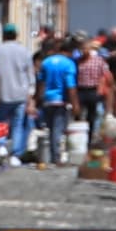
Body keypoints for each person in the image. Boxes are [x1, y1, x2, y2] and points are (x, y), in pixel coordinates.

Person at [0, 23, 37, 164]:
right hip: (20, 93)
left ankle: (2, 146)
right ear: (16, 35)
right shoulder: (25, 51)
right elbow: (30, 75)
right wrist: (30, 95)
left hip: (4, 91)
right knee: (18, 125)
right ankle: (16, 154)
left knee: (1, 122)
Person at [34, 31, 79, 163]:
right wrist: (75, 104)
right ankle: (55, 157)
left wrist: (38, 98)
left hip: (47, 100)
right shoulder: (69, 64)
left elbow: (41, 82)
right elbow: (70, 86)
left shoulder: (46, 62)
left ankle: (47, 154)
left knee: (49, 128)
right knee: (58, 130)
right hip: (60, 101)